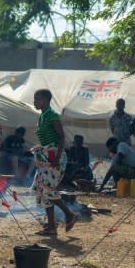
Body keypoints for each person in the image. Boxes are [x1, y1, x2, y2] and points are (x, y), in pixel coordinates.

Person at [32, 89, 78, 236]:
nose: (35, 102)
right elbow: (47, 140)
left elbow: (62, 137)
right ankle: (51, 227)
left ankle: (69, 214)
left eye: (38, 99)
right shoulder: (42, 117)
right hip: (46, 157)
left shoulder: (52, 115)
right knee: (42, 189)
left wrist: (57, 158)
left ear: (45, 100)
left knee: (48, 189)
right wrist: (40, 148)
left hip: (54, 157)